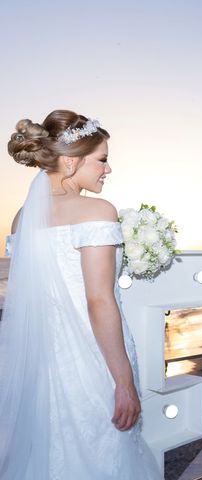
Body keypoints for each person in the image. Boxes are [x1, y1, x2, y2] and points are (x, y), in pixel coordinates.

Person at [0, 110, 161, 478]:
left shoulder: (23, 217)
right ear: (71, 162)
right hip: (93, 361)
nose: (108, 169)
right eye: (102, 159)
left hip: (42, 364)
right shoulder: (98, 212)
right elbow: (99, 301)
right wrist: (123, 383)